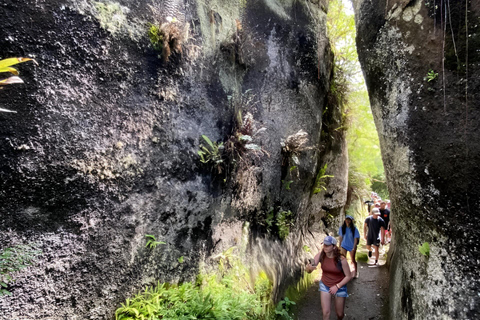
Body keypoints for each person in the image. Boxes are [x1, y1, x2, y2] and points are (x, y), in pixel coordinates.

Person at [306, 236, 352, 320]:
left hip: (339, 286)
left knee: (340, 314)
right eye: (324, 245)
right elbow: (311, 267)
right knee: (326, 313)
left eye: (328, 245)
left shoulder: (341, 259)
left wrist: (337, 286)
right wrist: (309, 268)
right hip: (325, 284)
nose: (325, 247)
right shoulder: (321, 255)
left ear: (334, 247)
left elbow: (349, 276)